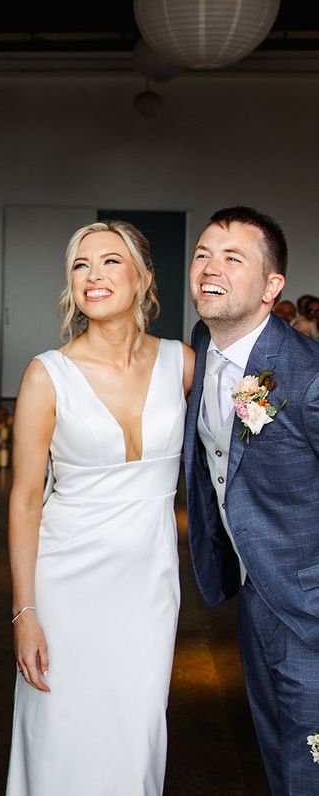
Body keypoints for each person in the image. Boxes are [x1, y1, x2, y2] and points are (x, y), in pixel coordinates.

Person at [6, 221, 193, 795]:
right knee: (62, 738)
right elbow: (26, 500)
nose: (93, 275)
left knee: (135, 740)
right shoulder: (48, 375)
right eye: (81, 265)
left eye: (110, 262)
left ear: (143, 279)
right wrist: (25, 612)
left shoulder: (182, 364)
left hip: (148, 590)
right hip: (66, 587)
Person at [184, 206, 319, 794]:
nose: (210, 268)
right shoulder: (204, 344)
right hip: (254, 591)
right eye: (202, 254)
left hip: (310, 608)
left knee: (310, 761)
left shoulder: (306, 375)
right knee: (276, 750)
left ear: (271, 287)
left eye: (232, 258)